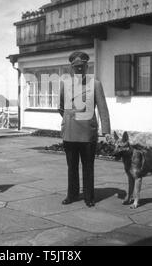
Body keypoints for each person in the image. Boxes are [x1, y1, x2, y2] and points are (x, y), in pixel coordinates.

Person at [59, 51, 111, 207]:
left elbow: (103, 109)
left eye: (82, 67)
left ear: (87, 67)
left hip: (87, 132)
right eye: (76, 67)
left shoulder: (95, 84)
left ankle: (89, 197)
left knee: (88, 166)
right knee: (72, 167)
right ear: (72, 68)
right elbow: (61, 107)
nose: (79, 70)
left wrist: (106, 131)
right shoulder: (65, 84)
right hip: (70, 131)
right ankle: (72, 195)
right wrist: (69, 119)